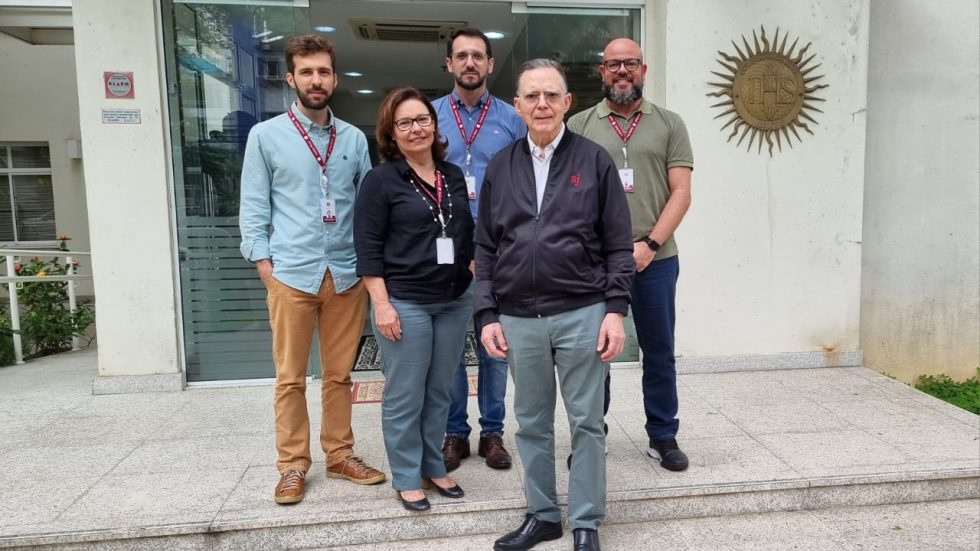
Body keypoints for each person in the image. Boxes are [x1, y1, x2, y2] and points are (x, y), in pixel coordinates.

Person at [476, 59, 634, 551]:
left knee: (587, 420)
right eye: (531, 96)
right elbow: (485, 246)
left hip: (582, 311)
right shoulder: (501, 165)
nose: (541, 104)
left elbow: (618, 243)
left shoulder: (594, 160)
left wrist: (614, 309)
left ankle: (586, 520)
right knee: (531, 422)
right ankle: (542, 514)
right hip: (519, 317)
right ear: (518, 105)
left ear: (567, 103)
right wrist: (486, 314)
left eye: (551, 95)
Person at [239, 34, 386, 506]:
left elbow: (367, 207)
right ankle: (293, 465)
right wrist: (265, 265)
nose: (316, 80)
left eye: (323, 71)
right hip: (292, 274)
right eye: (307, 72)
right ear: (291, 78)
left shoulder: (353, 139)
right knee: (290, 378)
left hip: (345, 274)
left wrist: (370, 264)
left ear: (334, 78)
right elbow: (253, 205)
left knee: (340, 375)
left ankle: (340, 455)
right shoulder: (266, 136)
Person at [567, 38, 694, 472]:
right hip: (597, 262)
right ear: (601, 72)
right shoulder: (580, 124)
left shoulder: (670, 123)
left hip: (657, 260)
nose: (622, 71)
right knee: (593, 353)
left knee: (659, 351)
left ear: (644, 70)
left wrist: (650, 244)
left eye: (631, 64)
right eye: (613, 64)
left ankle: (663, 436)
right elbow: (571, 195)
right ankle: (591, 436)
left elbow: (681, 193)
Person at [354, 87, 475, 512]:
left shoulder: (452, 174)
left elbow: (464, 231)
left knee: (440, 389)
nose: (415, 128)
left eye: (422, 119)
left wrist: (473, 268)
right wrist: (381, 304)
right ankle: (406, 476)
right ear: (391, 131)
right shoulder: (381, 180)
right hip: (405, 301)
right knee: (406, 393)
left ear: (434, 124)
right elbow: (367, 246)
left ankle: (432, 465)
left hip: (454, 299)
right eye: (404, 122)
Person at [432, 27, 526, 472]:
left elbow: (527, 182)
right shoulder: (429, 118)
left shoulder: (513, 119)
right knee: (450, 345)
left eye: (478, 56)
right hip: (444, 248)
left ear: (490, 64)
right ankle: (455, 432)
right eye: (461, 56)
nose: (470, 63)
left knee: (494, 342)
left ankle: (492, 433)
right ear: (448, 64)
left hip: (497, 248)